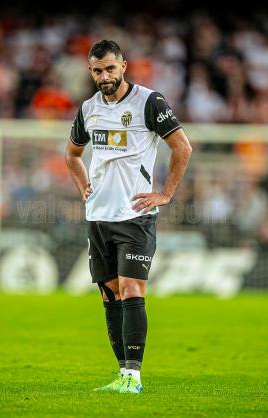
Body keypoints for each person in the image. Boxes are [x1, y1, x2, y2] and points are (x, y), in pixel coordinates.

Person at [65, 40, 192, 394]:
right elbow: (72, 155)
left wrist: (165, 194)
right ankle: (122, 373)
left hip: (136, 216)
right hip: (99, 216)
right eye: (97, 70)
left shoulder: (149, 102)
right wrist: (83, 186)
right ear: (90, 72)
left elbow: (182, 147)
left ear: (123, 66)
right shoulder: (89, 108)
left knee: (132, 288)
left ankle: (134, 376)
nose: (104, 76)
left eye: (109, 68)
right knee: (109, 295)